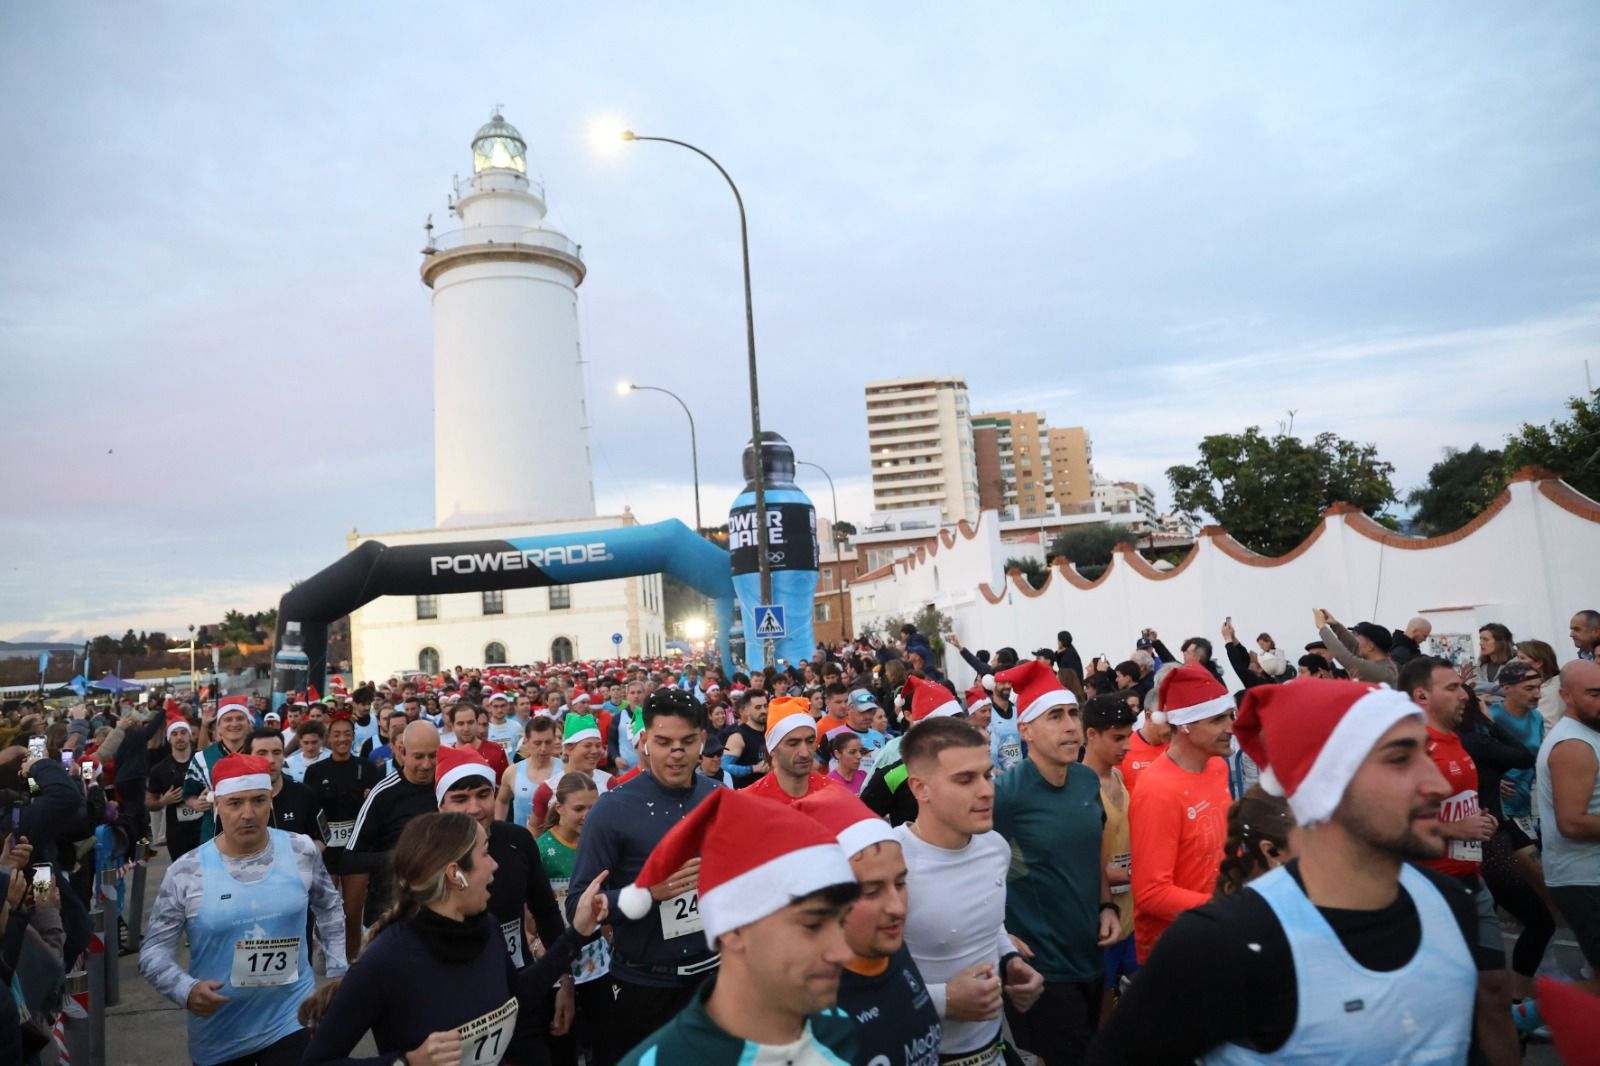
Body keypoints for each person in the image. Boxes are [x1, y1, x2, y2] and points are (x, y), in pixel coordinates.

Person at [1087, 678, 1477, 1064]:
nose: (1439, 784)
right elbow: (1153, 892)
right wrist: (1234, 910)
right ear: (1324, 785)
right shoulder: (1221, 944)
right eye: (1398, 758)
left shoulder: (1451, 906)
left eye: (1425, 753)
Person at [301, 811, 607, 1065]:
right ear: (455, 874)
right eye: (485, 852)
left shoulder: (486, 928)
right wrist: (406, 1062)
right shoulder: (386, 959)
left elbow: (517, 998)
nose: (495, 865)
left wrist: (576, 933)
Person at [612, 787, 861, 1065]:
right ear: (733, 930)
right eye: (813, 925)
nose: (844, 953)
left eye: (842, 922)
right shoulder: (659, 1060)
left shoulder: (839, 1032)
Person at [139, 754, 347, 1066]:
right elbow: (153, 950)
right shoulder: (187, 871)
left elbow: (329, 907)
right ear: (217, 805)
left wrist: (337, 971)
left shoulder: (300, 850)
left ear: (271, 802)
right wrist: (186, 989)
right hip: (220, 1032)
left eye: (258, 801)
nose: (248, 814)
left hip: (291, 1019)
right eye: (235, 803)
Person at [566, 688, 721, 1064]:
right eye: (663, 741)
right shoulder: (612, 810)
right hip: (645, 987)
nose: (676, 752)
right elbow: (578, 908)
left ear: (702, 739)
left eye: (687, 741)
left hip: (715, 982)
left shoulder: (718, 797)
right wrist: (649, 892)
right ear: (645, 741)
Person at [896, 716, 1044, 1063]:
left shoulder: (995, 847)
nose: (987, 790)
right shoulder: (890, 866)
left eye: (988, 775)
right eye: (965, 780)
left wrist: (1009, 958)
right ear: (920, 788)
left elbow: (987, 921)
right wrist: (944, 999)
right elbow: (853, 987)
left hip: (994, 1047)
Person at [991, 661, 1119, 1063]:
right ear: (1024, 730)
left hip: (1090, 953)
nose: (1071, 727)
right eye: (1055, 716)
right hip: (1041, 970)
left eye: (1072, 714)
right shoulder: (1005, 795)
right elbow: (978, 867)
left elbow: (1093, 846)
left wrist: (1106, 904)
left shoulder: (1084, 780)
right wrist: (999, 936)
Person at [1400, 655, 1521, 1064]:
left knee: (1494, 990)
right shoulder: (1408, 749)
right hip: (1427, 891)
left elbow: (1456, 807)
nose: (1464, 695)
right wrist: (1456, 830)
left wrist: (1477, 818)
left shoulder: (1457, 739)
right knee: (1441, 1003)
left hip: (1473, 882)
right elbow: (1392, 827)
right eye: (1451, 688)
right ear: (1421, 695)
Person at [434, 742, 572, 1063]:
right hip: (457, 1008)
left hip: (519, 994)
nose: (474, 808)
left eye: (483, 794)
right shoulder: (427, 858)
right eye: (459, 799)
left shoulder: (517, 841)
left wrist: (565, 981)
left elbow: (546, 911)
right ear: (440, 806)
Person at [795, 786, 943, 1065]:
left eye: (900, 884)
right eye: (872, 892)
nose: (897, 908)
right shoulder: (802, 1014)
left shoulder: (890, 947)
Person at [1128, 663, 1233, 962]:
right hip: (1176, 951)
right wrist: (1226, 907)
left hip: (1218, 935)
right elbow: (1151, 893)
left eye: (1230, 716)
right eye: (1218, 719)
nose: (1231, 727)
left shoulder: (1217, 767)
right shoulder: (1157, 789)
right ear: (1185, 725)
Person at [342, 720, 440, 951]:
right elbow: (350, 859)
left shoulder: (447, 786)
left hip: (438, 912)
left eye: (432, 756)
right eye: (418, 757)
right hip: (390, 913)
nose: (426, 765)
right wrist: (402, 858)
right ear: (402, 752)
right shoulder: (384, 793)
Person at [537, 772, 613, 1065]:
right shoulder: (543, 850)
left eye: (593, 808)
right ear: (559, 808)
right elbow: (533, 911)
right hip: (558, 960)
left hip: (597, 961)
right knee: (562, 1045)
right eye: (579, 809)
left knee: (604, 1040)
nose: (587, 816)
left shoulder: (599, 842)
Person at [1537, 658, 1600, 995]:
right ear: (1566, 696)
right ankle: (1527, 1017)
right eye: (1594, 694)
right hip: (1585, 879)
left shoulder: (1589, 734)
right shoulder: (1574, 745)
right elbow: (1572, 823)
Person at [1079, 692, 1139, 1009]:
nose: (1127, 746)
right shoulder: (1079, 786)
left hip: (1130, 910)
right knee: (1102, 1011)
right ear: (1091, 734)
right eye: (1118, 738)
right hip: (1101, 920)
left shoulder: (1117, 775)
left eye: (1128, 736)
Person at [303, 713, 381, 875]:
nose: (342, 739)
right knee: (329, 900)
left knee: (354, 901)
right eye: (336, 734)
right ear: (329, 738)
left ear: (353, 736)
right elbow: (308, 809)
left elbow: (377, 808)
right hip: (327, 847)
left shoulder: (367, 768)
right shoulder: (315, 771)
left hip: (357, 847)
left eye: (347, 734)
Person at [183, 694, 254, 843]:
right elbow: (188, 794)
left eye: (240, 718)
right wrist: (196, 803)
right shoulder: (202, 758)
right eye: (228, 719)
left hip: (256, 832)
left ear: (249, 724)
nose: (234, 724)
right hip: (214, 835)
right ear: (219, 727)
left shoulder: (261, 752)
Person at [745, 695, 832, 804]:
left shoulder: (834, 794)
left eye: (810, 741)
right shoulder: (749, 802)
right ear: (772, 749)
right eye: (793, 744)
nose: (805, 753)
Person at [245, 729, 324, 847]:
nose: (270, 760)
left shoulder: (304, 794)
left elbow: (321, 840)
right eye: (262, 753)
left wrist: (298, 856)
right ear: (248, 758)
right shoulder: (235, 800)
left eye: (276, 752)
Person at [532, 713, 614, 824]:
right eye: (588, 745)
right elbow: (535, 828)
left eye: (598, 745)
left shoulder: (609, 782)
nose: (595, 751)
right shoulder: (549, 789)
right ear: (568, 748)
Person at [146, 702, 203, 861]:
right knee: (183, 876)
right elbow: (149, 801)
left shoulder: (202, 760)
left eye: (183, 732)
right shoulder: (159, 769)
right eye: (175, 734)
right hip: (177, 833)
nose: (179, 737)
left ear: (190, 735)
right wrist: (163, 801)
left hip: (205, 830)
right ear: (169, 738)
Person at [1313, 608, 1399, 687]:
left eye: (1359, 641)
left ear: (1370, 646)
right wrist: (1335, 625)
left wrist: (1322, 628)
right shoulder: (1382, 664)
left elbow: (1346, 657)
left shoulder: (1382, 671)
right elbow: (1353, 646)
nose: (1358, 644)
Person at [498, 714, 558, 825]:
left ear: (555, 740)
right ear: (526, 741)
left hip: (554, 839)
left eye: (548, 742)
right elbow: (502, 801)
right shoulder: (512, 772)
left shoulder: (565, 770)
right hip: (521, 839)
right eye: (537, 743)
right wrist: (499, 827)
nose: (543, 749)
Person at [721, 688, 770, 789]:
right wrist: (752, 768)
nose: (764, 711)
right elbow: (724, 765)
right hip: (748, 794)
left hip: (770, 792)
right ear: (746, 710)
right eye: (758, 707)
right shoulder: (738, 736)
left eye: (765, 706)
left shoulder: (771, 731)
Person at [826, 729, 867, 794]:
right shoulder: (829, 782)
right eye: (852, 752)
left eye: (860, 751)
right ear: (837, 754)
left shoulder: (864, 776)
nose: (859, 756)